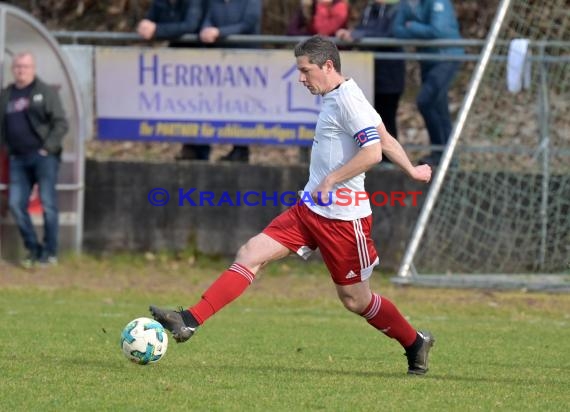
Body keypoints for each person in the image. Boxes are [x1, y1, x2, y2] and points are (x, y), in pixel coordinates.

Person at [150, 35, 436, 375]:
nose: (301, 78)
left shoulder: (348, 102)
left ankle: (415, 343)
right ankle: (188, 320)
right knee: (251, 253)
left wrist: (331, 180)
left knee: (356, 300)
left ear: (328, 66)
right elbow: (384, 137)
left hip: (344, 220)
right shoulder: (341, 95)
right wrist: (412, 169)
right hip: (308, 210)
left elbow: (373, 151)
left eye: (305, 70)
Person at [0, 52, 69, 268]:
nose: (22, 70)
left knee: (48, 204)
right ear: (13, 69)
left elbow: (60, 123)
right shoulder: (6, 95)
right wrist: (7, 147)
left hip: (43, 158)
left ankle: (50, 252)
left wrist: (48, 148)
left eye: (26, 66)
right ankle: (33, 248)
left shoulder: (44, 92)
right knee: (15, 204)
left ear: (33, 68)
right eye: (18, 66)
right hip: (17, 158)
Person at [136, 0, 211, 161]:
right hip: (175, 64)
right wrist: (145, 25)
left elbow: (190, 26)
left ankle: (200, 152)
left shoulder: (194, 2)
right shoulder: (160, 3)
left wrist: (157, 30)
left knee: (198, 106)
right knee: (182, 107)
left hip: (197, 62)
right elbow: (151, 20)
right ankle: (188, 148)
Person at [393, 0, 464, 166]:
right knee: (439, 107)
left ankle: (443, 154)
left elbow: (437, 30)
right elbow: (397, 30)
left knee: (425, 101)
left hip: (446, 57)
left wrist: (412, 27)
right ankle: (444, 156)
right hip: (427, 60)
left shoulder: (438, 2)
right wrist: (417, 29)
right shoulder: (407, 4)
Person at [199, 0, 262, 163]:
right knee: (214, 103)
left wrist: (219, 32)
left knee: (242, 104)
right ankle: (201, 149)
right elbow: (207, 18)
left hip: (245, 60)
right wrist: (206, 29)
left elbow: (248, 24)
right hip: (219, 60)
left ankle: (240, 149)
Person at [336, 0, 405, 145]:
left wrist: (357, 34)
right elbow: (363, 29)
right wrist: (349, 34)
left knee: (387, 118)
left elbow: (389, 34)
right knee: (368, 118)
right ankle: (374, 156)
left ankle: (389, 160)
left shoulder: (397, 9)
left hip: (389, 73)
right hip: (368, 72)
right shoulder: (370, 8)